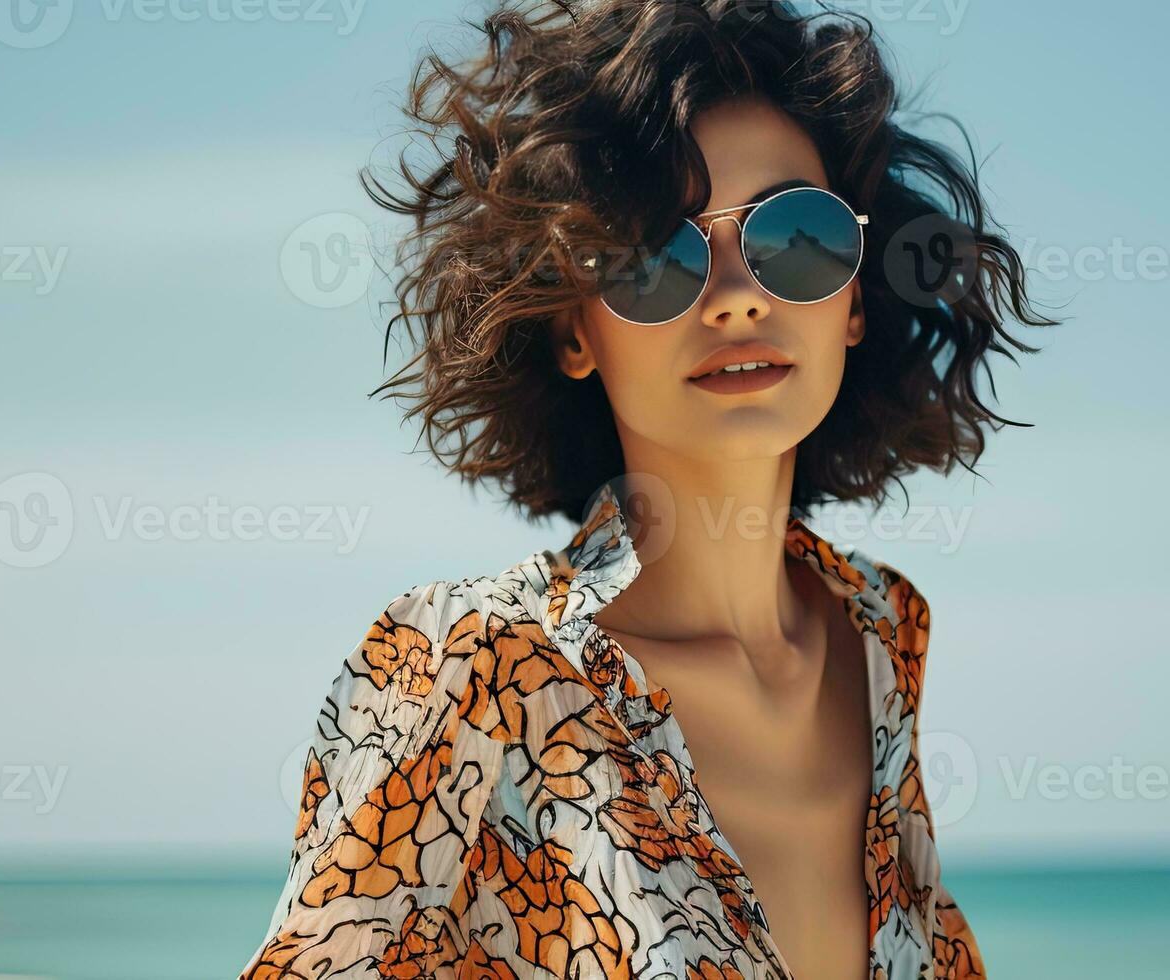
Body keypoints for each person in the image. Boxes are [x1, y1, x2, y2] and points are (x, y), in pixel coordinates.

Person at [242, 2, 1049, 976]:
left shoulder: (879, 637)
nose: (737, 292)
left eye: (797, 235)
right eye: (655, 255)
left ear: (855, 300)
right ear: (572, 327)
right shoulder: (474, 668)